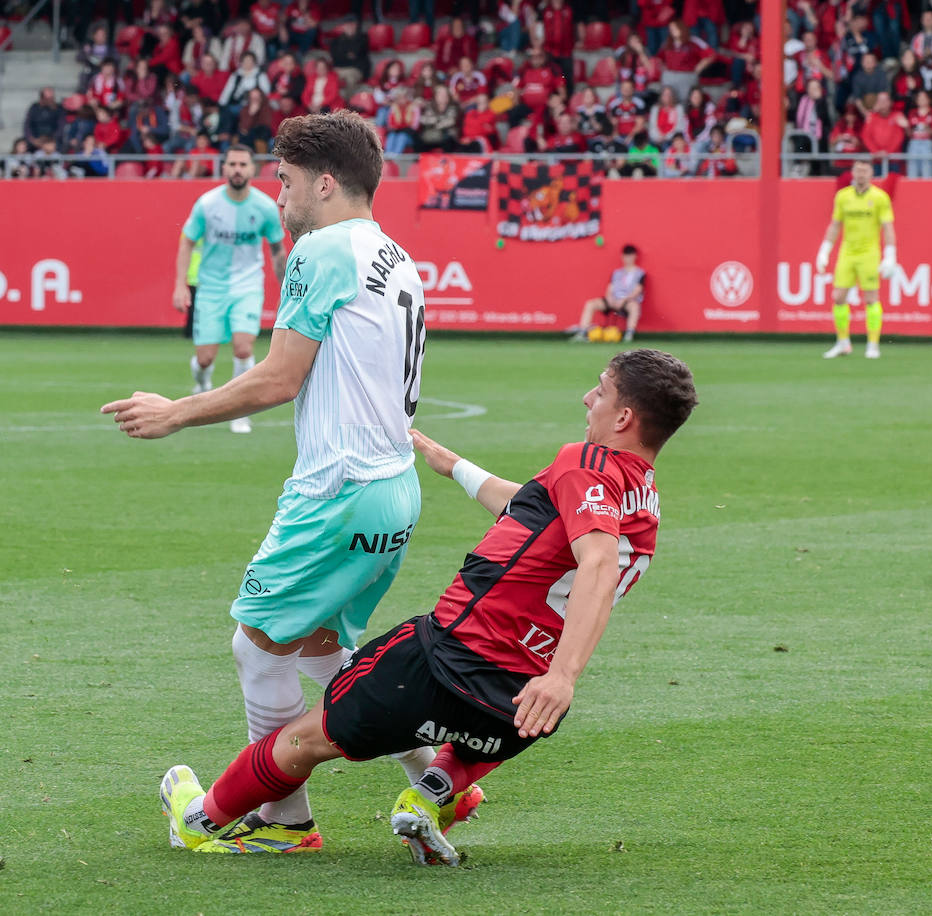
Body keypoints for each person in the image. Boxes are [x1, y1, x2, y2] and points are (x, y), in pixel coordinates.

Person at [157, 349, 698, 865]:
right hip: (518, 702)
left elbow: (596, 564)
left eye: (600, 392)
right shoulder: (642, 503)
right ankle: (436, 792)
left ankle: (204, 821)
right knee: (476, 734)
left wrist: (565, 676)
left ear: (624, 416)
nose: (587, 399)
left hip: (444, 658)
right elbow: (534, 513)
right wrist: (455, 466)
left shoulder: (586, 460)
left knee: (303, 740)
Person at [103, 111, 437, 853]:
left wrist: (177, 412)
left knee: (256, 648)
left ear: (323, 184)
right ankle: (443, 777)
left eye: (284, 183)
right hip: (393, 490)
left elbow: (281, 377)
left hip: (338, 491)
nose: (277, 198)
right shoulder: (394, 253)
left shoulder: (321, 251)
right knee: (322, 650)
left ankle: (285, 821)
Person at [167, 145, 285, 430]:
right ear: (224, 168)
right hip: (210, 288)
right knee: (205, 358)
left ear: (252, 169)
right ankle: (203, 381)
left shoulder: (266, 207)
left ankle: (239, 411)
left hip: (247, 286)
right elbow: (187, 242)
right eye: (232, 164)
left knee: (244, 348)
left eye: (242, 164)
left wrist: (287, 288)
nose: (237, 169)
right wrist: (180, 285)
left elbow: (278, 249)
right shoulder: (207, 205)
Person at [815, 158, 896, 360]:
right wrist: (824, 250)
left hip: (869, 253)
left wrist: (890, 255)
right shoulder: (843, 197)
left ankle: (873, 344)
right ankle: (843, 343)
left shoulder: (880, 197)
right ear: (852, 172)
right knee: (838, 297)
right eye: (858, 170)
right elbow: (835, 225)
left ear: (871, 173)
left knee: (871, 299)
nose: (861, 174)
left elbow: (887, 227)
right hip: (847, 252)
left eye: (865, 171)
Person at [570, 245, 646, 342]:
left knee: (635, 307)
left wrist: (624, 300)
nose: (628, 258)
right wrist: (610, 299)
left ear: (635, 256)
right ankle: (582, 332)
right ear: (622, 257)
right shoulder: (616, 273)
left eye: (630, 255)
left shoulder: (640, 273)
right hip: (613, 299)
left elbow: (638, 290)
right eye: (626, 255)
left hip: (628, 301)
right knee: (590, 304)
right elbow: (610, 288)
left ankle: (629, 334)